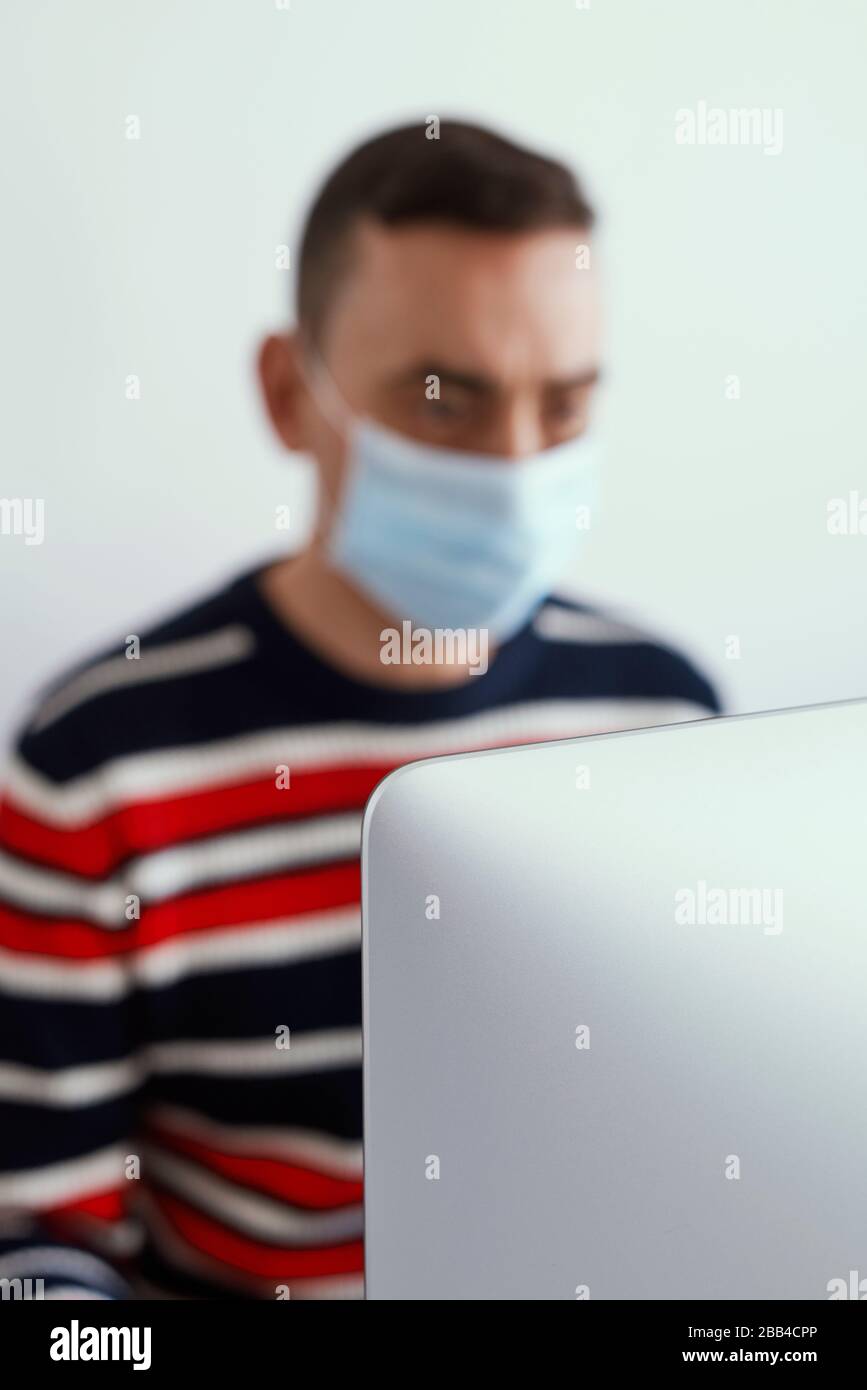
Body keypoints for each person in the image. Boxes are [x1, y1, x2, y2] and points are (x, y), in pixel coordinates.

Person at [0, 120, 719, 1300]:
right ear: (293, 394)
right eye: (447, 403)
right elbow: (40, 1246)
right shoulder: (98, 768)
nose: (517, 465)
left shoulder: (672, 728)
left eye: (568, 405)